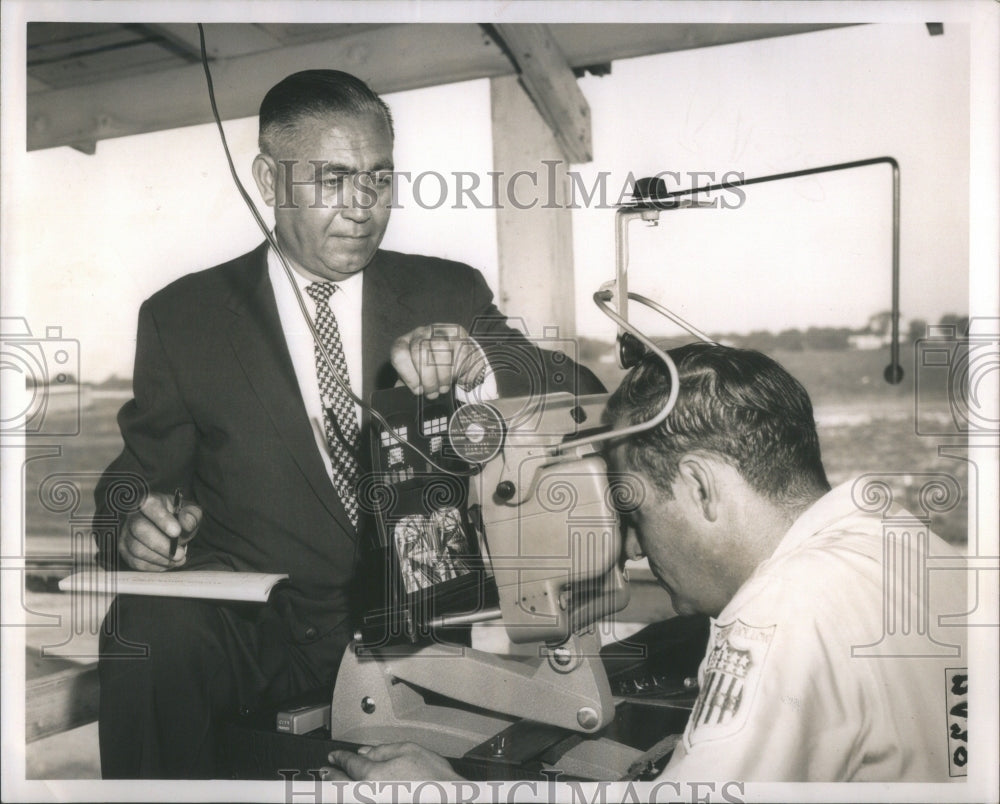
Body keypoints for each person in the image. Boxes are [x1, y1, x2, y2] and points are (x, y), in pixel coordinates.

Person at [93, 69, 602, 779]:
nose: (363, 206)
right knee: (143, 629)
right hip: (257, 638)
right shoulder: (183, 319)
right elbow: (135, 479)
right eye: (333, 179)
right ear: (269, 180)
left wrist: (476, 361)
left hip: (418, 641)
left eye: (379, 179)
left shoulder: (446, 291)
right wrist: (133, 525)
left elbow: (578, 393)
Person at [324, 342, 967, 782]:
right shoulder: (892, 533)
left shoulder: (780, 619)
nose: (632, 546)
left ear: (701, 487)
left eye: (638, 511)